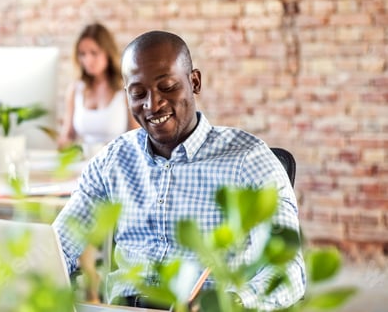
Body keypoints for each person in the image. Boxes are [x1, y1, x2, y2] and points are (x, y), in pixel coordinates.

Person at [53, 30, 306, 310]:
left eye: (167, 87)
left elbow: (288, 272)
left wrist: (232, 304)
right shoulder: (112, 159)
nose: (153, 104)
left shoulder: (249, 160)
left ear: (194, 82)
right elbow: (59, 246)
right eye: (138, 93)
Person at [57, 22, 139, 155]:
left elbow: (137, 139)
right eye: (82, 54)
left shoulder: (125, 90)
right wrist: (65, 143)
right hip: (83, 163)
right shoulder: (75, 89)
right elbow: (68, 135)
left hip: (116, 162)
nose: (87, 60)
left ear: (107, 53)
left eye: (94, 53)